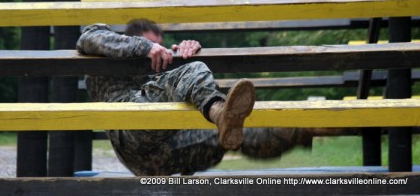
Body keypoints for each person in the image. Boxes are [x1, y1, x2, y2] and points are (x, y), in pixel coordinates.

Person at [76, 19, 315, 176]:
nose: (159, 49)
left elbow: (185, 81)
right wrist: (143, 47)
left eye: (161, 44)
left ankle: (310, 130)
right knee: (194, 72)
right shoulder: (105, 64)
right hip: (130, 135)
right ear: (131, 40)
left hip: (164, 153)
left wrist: (184, 54)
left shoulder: (164, 69)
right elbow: (88, 36)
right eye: (153, 43)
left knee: (237, 133)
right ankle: (219, 113)